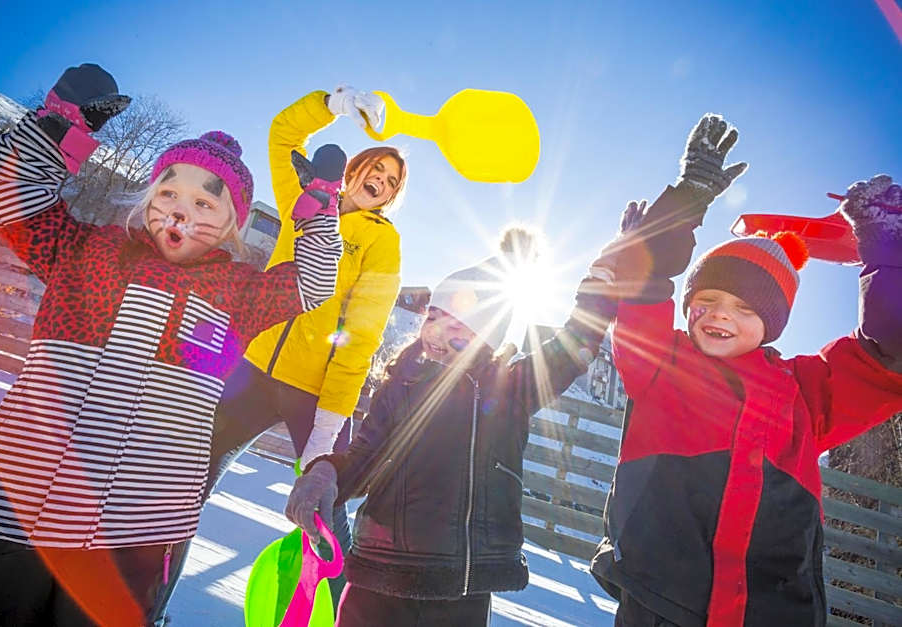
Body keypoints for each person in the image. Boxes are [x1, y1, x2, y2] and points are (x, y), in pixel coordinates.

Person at [0, 64, 342, 626]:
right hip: (10, 510)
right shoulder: (84, 250)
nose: (183, 210)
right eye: (170, 191)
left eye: (207, 203)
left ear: (234, 226)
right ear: (147, 200)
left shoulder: (239, 293)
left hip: (134, 538)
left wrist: (318, 209)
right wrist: (57, 127)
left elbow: (311, 284)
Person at [586, 114, 902, 626]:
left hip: (771, 613)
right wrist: (689, 195)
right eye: (706, 300)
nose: (717, 315)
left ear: (772, 322)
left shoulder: (807, 392)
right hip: (662, 603)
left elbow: (888, 355)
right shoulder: (662, 365)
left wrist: (886, 249)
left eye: (743, 307)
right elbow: (644, 283)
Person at [154, 85, 408, 615]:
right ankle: (147, 602)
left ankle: (344, 619)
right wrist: (332, 104)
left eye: (389, 184)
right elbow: (283, 133)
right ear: (354, 170)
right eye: (373, 173)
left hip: (313, 393)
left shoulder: (382, 241)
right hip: (249, 367)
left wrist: (330, 417)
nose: (378, 185)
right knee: (178, 489)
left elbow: (362, 331)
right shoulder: (306, 199)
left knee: (326, 516)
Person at [284, 241, 619, 626]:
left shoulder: (511, 391)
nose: (438, 334)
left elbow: (572, 345)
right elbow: (363, 457)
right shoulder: (399, 387)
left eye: (458, 327)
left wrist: (599, 287)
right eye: (433, 317)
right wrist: (327, 473)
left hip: (460, 589)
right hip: (380, 575)